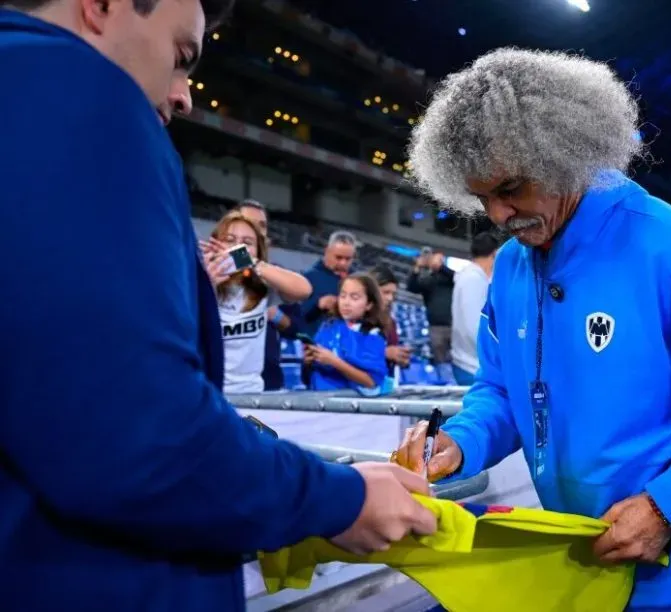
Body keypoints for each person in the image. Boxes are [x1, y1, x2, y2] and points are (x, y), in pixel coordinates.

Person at [0, 2, 436, 609]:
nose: (184, 97)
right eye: (182, 58)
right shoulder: (77, 92)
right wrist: (338, 497)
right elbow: (136, 433)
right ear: (100, 5)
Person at [393, 48, 671, 610]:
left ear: (566, 153)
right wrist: (460, 444)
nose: (498, 215)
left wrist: (668, 506)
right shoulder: (514, 269)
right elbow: (500, 390)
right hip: (585, 573)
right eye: (482, 198)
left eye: (512, 188)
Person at [202, 210, 312, 393]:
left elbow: (304, 290)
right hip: (207, 394)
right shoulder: (195, 280)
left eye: (247, 244)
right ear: (215, 244)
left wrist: (249, 261)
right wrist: (206, 288)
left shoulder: (261, 286)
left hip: (251, 395)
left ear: (257, 252)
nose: (237, 248)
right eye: (229, 240)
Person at [231, 199, 286, 391]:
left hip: (268, 379)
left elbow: (298, 326)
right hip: (225, 385)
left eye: (261, 225)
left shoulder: (280, 277)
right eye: (249, 223)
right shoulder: (214, 274)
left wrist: (276, 316)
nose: (256, 230)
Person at [305, 274, 389, 396]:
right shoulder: (328, 326)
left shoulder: (373, 335)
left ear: (369, 304)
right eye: (343, 296)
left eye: (354, 298)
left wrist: (334, 362)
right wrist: (309, 361)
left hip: (350, 405)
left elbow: (371, 382)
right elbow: (309, 373)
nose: (346, 303)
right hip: (319, 399)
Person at [279, 230, 358, 338]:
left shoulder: (358, 280)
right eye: (338, 258)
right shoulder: (309, 277)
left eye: (348, 259)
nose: (343, 263)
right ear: (327, 251)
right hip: (316, 344)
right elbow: (297, 318)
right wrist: (318, 305)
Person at [451, 232, 500, 385]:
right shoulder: (473, 280)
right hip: (471, 365)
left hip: (470, 361)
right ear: (494, 254)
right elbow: (474, 328)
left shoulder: (472, 277)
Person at [407, 249, 455, 363]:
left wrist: (440, 267)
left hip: (454, 325)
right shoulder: (429, 280)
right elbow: (412, 287)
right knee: (440, 360)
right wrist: (417, 267)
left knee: (458, 360)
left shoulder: (450, 278)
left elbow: (456, 277)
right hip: (436, 327)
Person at [372, 265, 413, 371]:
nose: (390, 298)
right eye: (385, 292)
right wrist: (384, 353)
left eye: (393, 294)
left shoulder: (391, 322)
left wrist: (400, 358)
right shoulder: (356, 319)